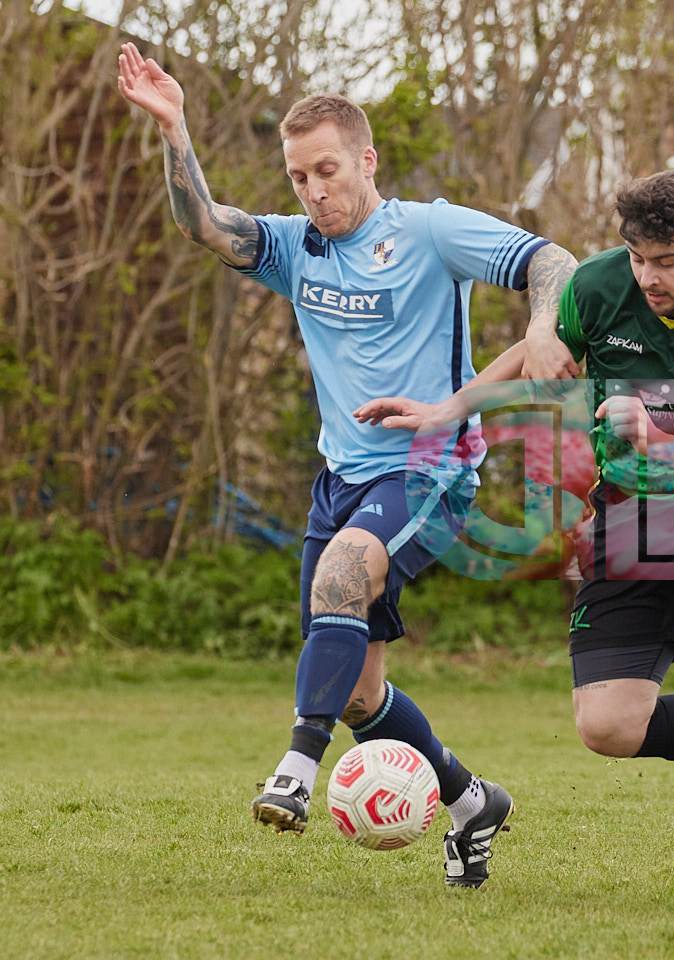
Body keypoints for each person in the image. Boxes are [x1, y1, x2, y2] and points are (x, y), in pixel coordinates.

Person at [116, 42, 578, 888]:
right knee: (361, 693)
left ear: (366, 161)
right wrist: (174, 128)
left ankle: (296, 769)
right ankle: (471, 801)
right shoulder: (296, 248)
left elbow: (553, 262)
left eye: (327, 171)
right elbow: (204, 225)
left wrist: (543, 328)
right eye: (298, 177)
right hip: (340, 481)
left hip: (430, 469)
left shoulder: (430, 229)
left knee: (342, 574)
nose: (313, 191)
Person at [360, 171, 674, 918]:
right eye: (637, 258)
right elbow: (536, 351)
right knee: (607, 728)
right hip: (624, 521)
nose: (648, 277)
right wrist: (450, 409)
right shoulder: (598, 286)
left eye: (666, 261)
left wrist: (662, 442)